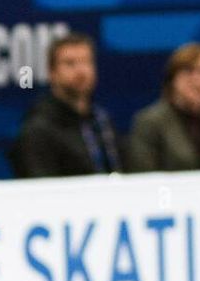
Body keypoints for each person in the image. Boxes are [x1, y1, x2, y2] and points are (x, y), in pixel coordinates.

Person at [9, 32, 122, 178]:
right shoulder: (37, 130)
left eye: (86, 62)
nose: (81, 71)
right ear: (52, 72)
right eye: (70, 63)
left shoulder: (102, 120)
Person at [126, 42, 200, 173]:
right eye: (189, 71)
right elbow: (142, 176)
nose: (198, 81)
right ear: (173, 78)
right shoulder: (150, 122)